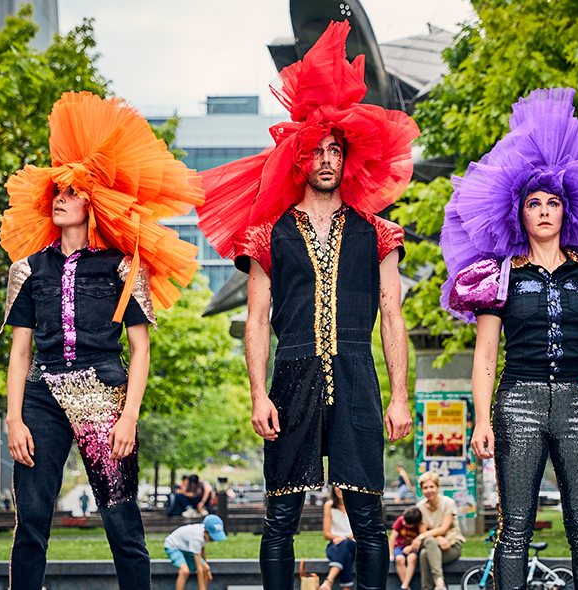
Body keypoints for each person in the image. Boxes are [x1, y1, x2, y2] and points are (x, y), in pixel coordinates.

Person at [196, 20, 419, 590]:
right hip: (290, 375)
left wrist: (399, 397)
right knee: (281, 520)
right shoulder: (266, 233)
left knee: (368, 520)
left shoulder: (379, 234)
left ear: (348, 159)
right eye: (315, 149)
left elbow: (392, 315)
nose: (325, 158)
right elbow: (257, 318)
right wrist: (256, 393)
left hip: (357, 374)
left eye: (334, 150)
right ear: (299, 157)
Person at [443, 88, 578, 590]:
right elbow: (485, 355)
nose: (544, 210)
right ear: (518, 213)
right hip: (516, 401)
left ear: (568, 211)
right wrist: (482, 419)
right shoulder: (496, 275)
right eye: (534, 203)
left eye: (553, 202)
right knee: (514, 528)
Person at [2, 91, 204, 590]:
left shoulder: (120, 266)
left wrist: (129, 415)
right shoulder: (27, 269)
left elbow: (141, 349)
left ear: (92, 199)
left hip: (103, 394)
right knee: (30, 522)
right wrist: (12, 417)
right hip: (41, 395)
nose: (60, 198)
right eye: (57, 191)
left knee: (121, 520)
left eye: (71, 191)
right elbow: (20, 351)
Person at [408, 472, 463, 590]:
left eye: (431, 487)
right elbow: (424, 532)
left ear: (437, 487)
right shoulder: (420, 507)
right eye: (425, 488)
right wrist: (436, 537)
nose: (429, 490)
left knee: (425, 553)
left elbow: (444, 529)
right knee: (425, 551)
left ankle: (431, 587)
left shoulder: (448, 503)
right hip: (432, 546)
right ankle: (439, 583)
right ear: (421, 490)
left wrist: (421, 537)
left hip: (452, 546)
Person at [164, 514, 228, 590]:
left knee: (205, 568)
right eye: (212, 537)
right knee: (184, 571)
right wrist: (201, 588)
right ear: (205, 531)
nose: (213, 540)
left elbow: (202, 549)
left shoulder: (204, 534)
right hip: (173, 546)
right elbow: (199, 567)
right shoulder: (197, 538)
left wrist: (207, 570)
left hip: (187, 548)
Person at [320, 488, 356, 590]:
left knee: (346, 544)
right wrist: (341, 539)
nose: (340, 489)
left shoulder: (355, 504)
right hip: (335, 545)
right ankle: (346, 588)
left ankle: (328, 581)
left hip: (353, 544)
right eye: (337, 485)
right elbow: (326, 534)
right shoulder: (329, 505)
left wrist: (346, 538)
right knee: (347, 555)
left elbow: (359, 531)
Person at [389, 505, 424, 590]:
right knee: (399, 559)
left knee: (412, 558)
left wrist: (411, 548)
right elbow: (392, 537)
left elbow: (422, 538)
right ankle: (407, 587)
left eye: (407, 523)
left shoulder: (419, 526)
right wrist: (390, 554)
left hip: (413, 548)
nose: (404, 523)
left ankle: (404, 587)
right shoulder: (401, 520)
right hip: (399, 546)